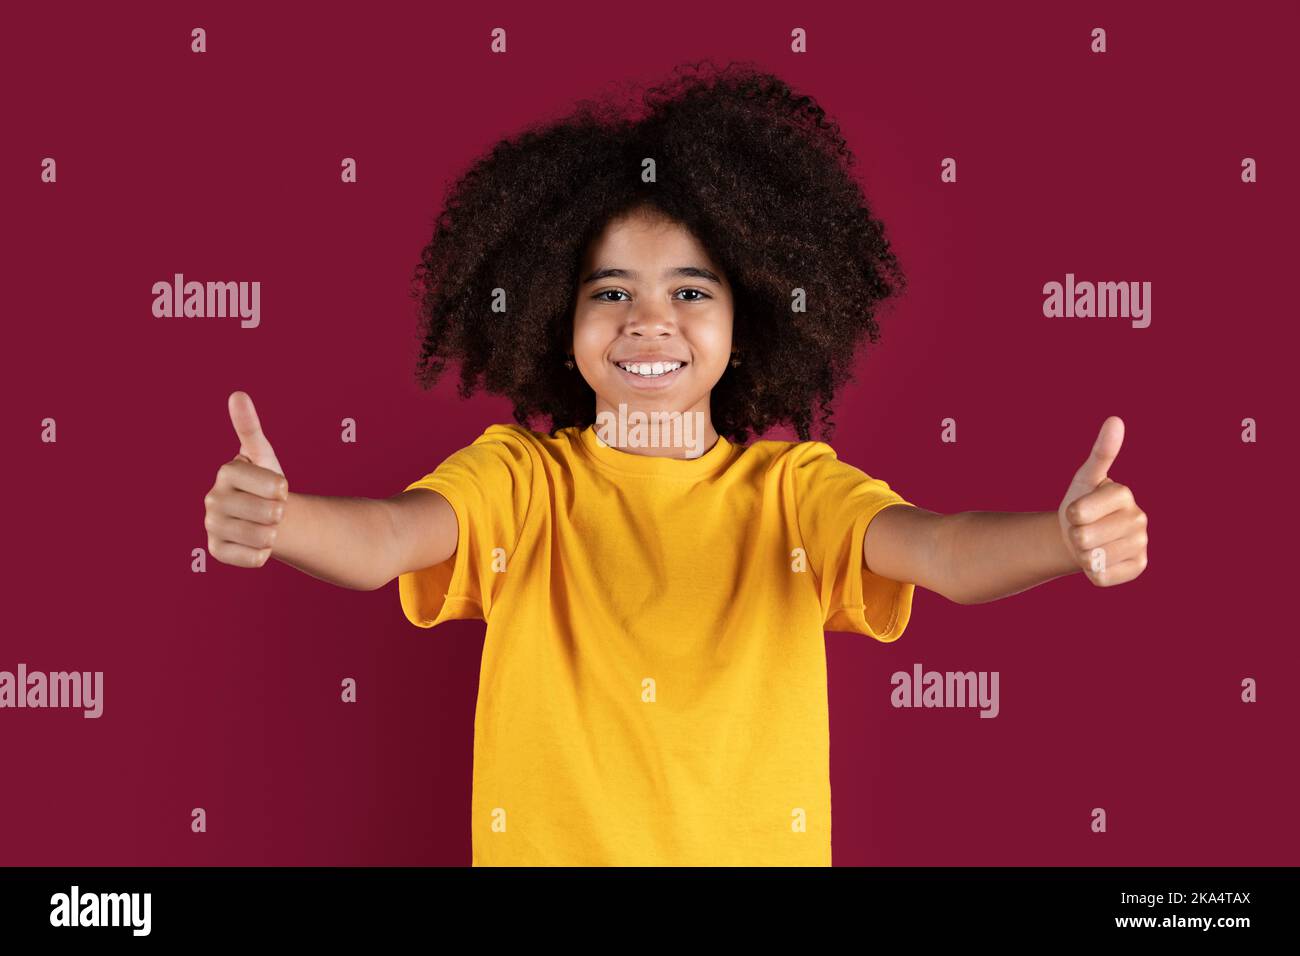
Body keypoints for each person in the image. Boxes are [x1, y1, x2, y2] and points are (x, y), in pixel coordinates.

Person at [202, 60, 1149, 866]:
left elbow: (942, 553)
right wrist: (281, 520)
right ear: (556, 321)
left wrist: (1062, 540)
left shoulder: (795, 494)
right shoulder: (520, 482)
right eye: (610, 291)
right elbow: (387, 540)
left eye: (691, 290)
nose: (648, 320)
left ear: (750, 322)